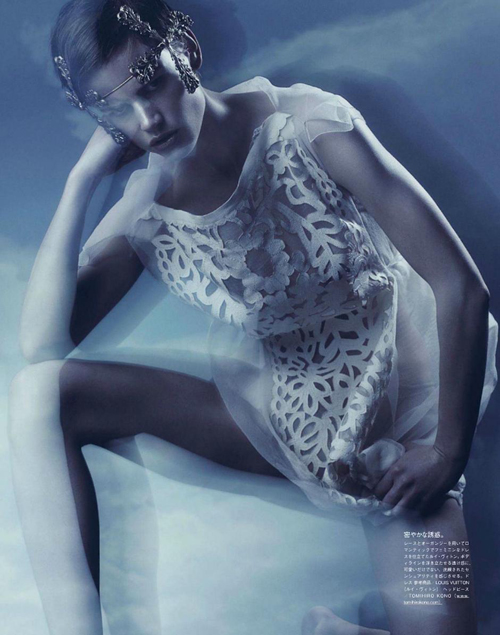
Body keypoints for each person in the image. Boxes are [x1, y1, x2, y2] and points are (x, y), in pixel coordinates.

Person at [8, 0, 498, 634]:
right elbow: (41, 342)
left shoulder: (309, 124)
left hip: (397, 439)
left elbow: (462, 286)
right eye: (116, 108)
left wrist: (445, 452)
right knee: (39, 396)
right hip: (279, 421)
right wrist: (82, 179)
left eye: (150, 82)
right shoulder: (146, 211)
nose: (147, 119)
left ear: (185, 51)